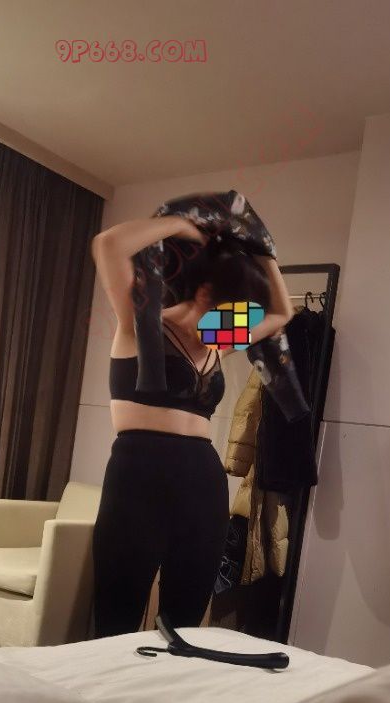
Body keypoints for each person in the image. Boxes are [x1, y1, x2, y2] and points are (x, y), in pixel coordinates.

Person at [90, 209, 294, 639]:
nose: (238, 314)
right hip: (137, 472)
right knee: (116, 613)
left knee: (185, 618)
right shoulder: (140, 324)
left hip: (202, 480)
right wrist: (184, 224)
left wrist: (265, 252)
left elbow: (280, 313)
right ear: (203, 289)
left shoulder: (217, 340)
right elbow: (108, 245)